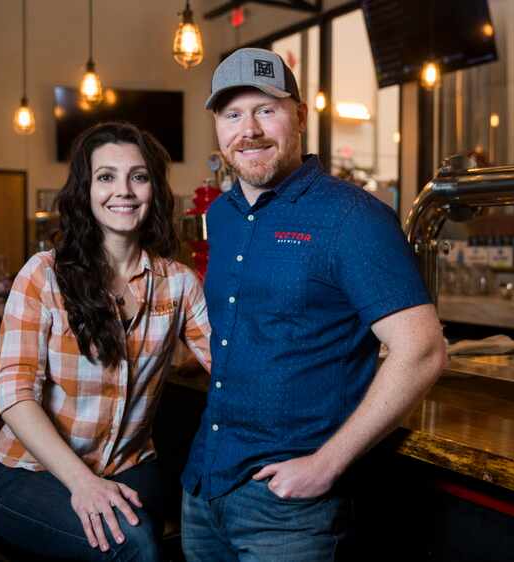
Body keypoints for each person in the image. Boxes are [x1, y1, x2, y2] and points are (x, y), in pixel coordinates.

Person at [180, 48, 449, 561]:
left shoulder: (352, 216)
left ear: (300, 116)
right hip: (205, 485)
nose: (249, 129)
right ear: (217, 127)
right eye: (232, 114)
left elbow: (422, 351)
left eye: (267, 109)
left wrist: (325, 464)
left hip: (288, 510)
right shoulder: (225, 215)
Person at [0, 122, 211, 561]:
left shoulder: (178, 283)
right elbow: (13, 394)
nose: (123, 191)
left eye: (138, 177)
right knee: (136, 545)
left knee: (195, 525)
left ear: (154, 190)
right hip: (30, 474)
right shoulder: (43, 275)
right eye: (106, 177)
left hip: (130, 468)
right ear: (85, 190)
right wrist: (82, 484)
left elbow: (231, 366)